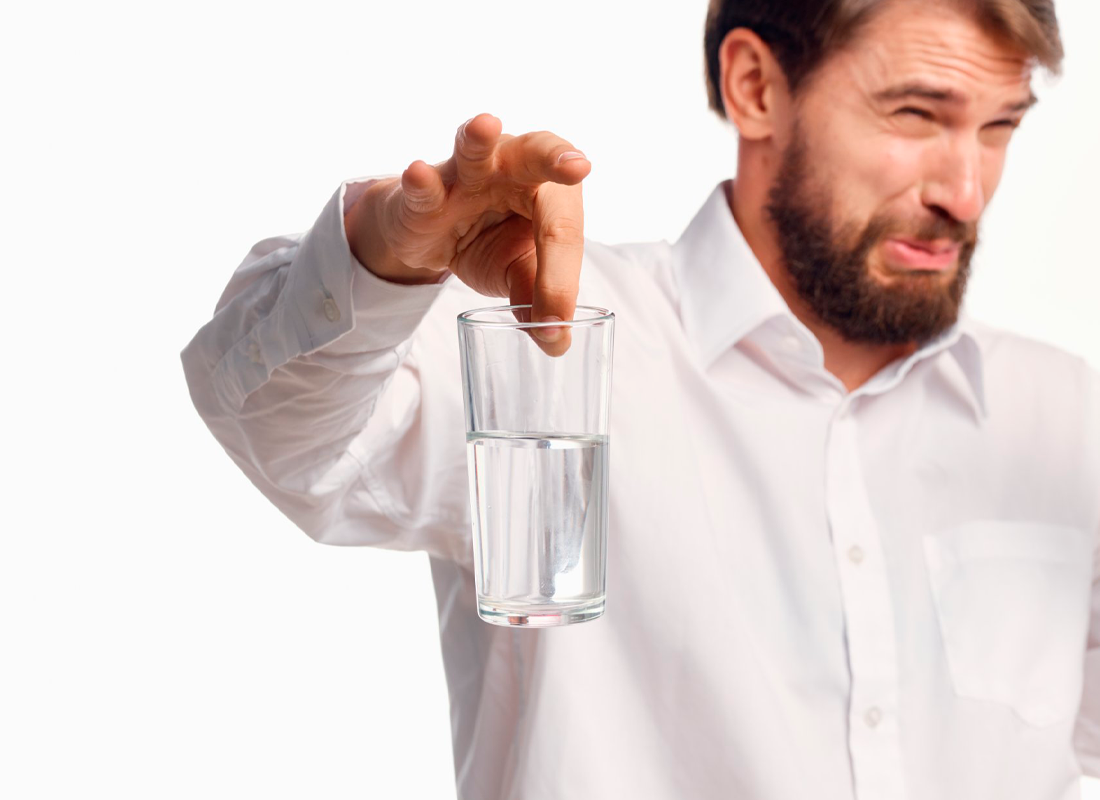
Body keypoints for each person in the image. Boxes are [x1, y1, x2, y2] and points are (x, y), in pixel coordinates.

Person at [180, 0, 1100, 797]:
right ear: (754, 87)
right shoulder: (545, 338)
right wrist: (386, 255)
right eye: (914, 114)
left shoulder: (1063, 417)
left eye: (1000, 126)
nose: (967, 191)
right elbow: (278, 426)